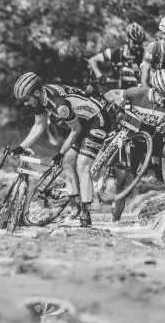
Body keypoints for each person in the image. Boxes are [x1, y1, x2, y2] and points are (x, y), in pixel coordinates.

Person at [9, 72, 111, 227]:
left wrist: (61, 152)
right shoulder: (40, 100)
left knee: (82, 165)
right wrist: (21, 147)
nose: (25, 104)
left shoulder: (58, 104)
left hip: (97, 120)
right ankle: (74, 204)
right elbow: (39, 125)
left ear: (36, 93)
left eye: (26, 100)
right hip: (82, 122)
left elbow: (75, 130)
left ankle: (85, 213)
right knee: (68, 163)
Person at [104, 69, 165, 220]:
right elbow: (108, 94)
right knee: (123, 182)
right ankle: (115, 221)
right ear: (154, 88)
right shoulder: (136, 93)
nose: (163, 99)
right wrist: (116, 99)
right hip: (132, 138)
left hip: (154, 137)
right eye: (161, 95)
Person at [88, 22, 147, 90]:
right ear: (127, 38)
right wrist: (100, 76)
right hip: (117, 93)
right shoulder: (116, 52)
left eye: (140, 43)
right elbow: (92, 60)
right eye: (134, 42)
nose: (137, 46)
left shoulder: (145, 53)